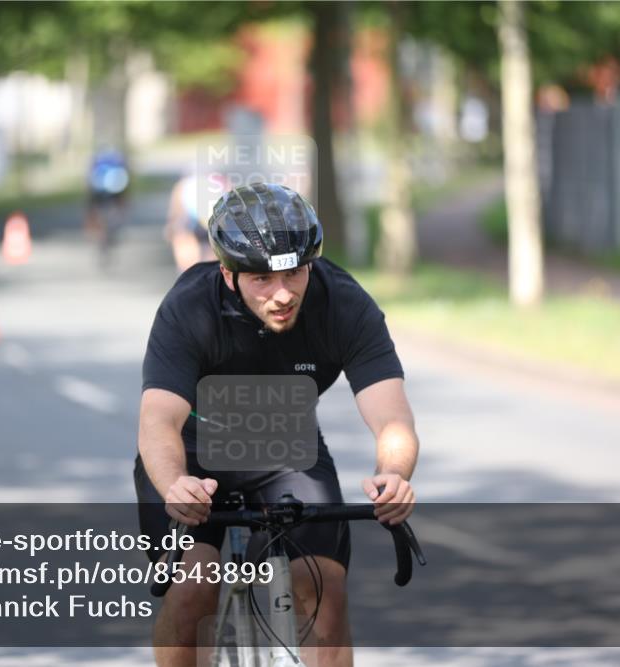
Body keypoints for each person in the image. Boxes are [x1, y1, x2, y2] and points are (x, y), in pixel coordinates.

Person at [136, 183, 419, 666]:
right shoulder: (189, 308)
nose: (282, 294)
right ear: (228, 274)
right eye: (261, 279)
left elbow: (391, 415)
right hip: (192, 454)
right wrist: (174, 485)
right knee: (191, 590)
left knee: (324, 587)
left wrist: (394, 473)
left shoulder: (344, 305)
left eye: (294, 273)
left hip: (285, 444)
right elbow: (158, 421)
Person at [163, 172, 225, 273]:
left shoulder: (183, 185)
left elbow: (175, 212)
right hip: (212, 222)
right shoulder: (219, 181)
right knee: (212, 268)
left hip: (191, 223)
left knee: (189, 270)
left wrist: (171, 228)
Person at [84, 149, 130, 258]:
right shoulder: (118, 160)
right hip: (116, 188)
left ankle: (98, 231)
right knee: (117, 208)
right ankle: (113, 226)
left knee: (95, 211)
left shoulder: (96, 161)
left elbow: (89, 179)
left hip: (99, 190)